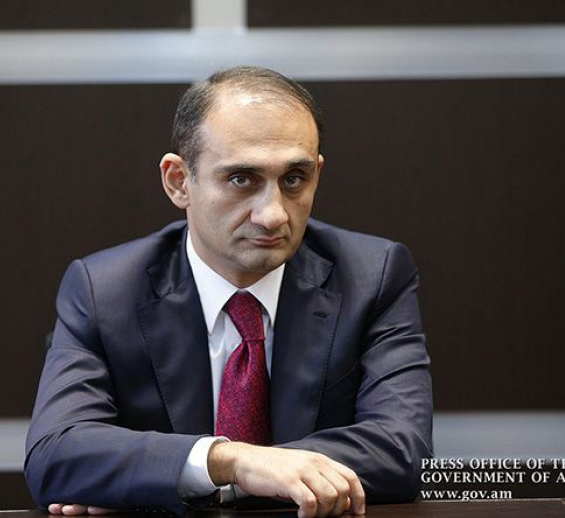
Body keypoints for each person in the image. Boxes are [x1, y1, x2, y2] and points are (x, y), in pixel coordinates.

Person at [25, 66, 432, 518]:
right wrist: (233, 462)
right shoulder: (103, 290)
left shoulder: (373, 276)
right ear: (179, 181)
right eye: (242, 179)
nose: (273, 214)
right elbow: (55, 455)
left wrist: (166, 481)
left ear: (317, 173)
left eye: (294, 179)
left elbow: (402, 452)